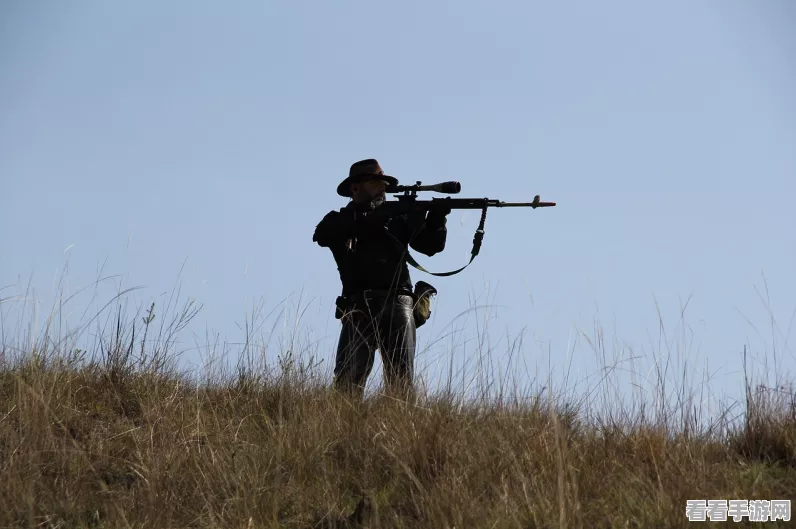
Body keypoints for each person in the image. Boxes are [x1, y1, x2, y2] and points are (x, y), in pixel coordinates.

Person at [312, 159, 451, 400]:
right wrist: (368, 220)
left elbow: (430, 246)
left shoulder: (397, 218)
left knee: (401, 382)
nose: (383, 188)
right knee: (347, 383)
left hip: (398, 302)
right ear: (355, 188)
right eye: (376, 183)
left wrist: (437, 221)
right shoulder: (340, 220)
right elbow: (322, 234)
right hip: (358, 306)